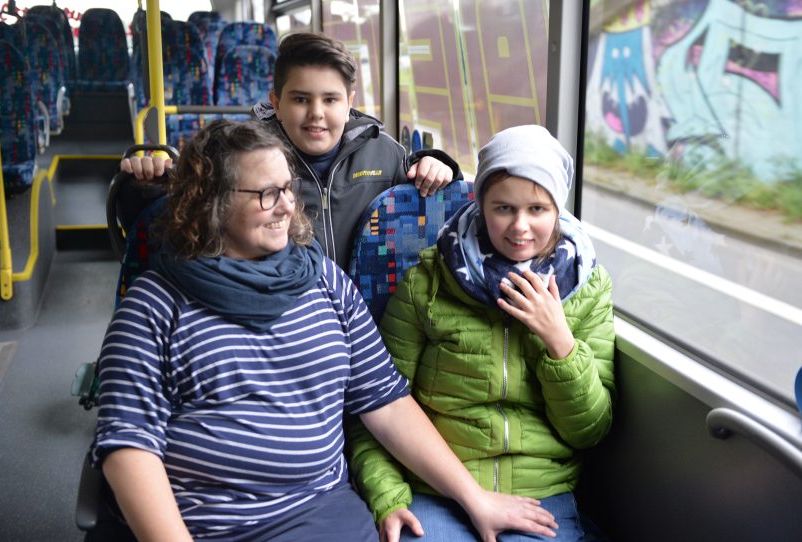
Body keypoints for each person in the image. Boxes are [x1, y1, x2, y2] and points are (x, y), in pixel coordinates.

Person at [90, 120, 558, 542]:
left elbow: (387, 404)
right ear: (210, 203)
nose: (286, 207)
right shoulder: (154, 306)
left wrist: (474, 498)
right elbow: (129, 446)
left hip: (319, 514)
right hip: (203, 522)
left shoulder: (325, 283)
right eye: (265, 194)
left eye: (288, 189)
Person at [347, 125, 616, 541]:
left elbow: (589, 431)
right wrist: (388, 497)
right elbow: (377, 407)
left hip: (541, 491)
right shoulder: (428, 281)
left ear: (558, 210)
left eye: (538, 210)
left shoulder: (586, 288)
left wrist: (559, 341)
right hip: (437, 487)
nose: (520, 227)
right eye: (503, 208)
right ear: (480, 204)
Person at [123, 31, 460, 271]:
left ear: (349, 104)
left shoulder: (383, 153)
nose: (316, 113)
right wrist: (145, 186)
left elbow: (430, 212)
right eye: (300, 99)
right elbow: (176, 223)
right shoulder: (243, 160)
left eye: (330, 100)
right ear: (276, 104)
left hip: (370, 313)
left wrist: (437, 165)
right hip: (283, 313)